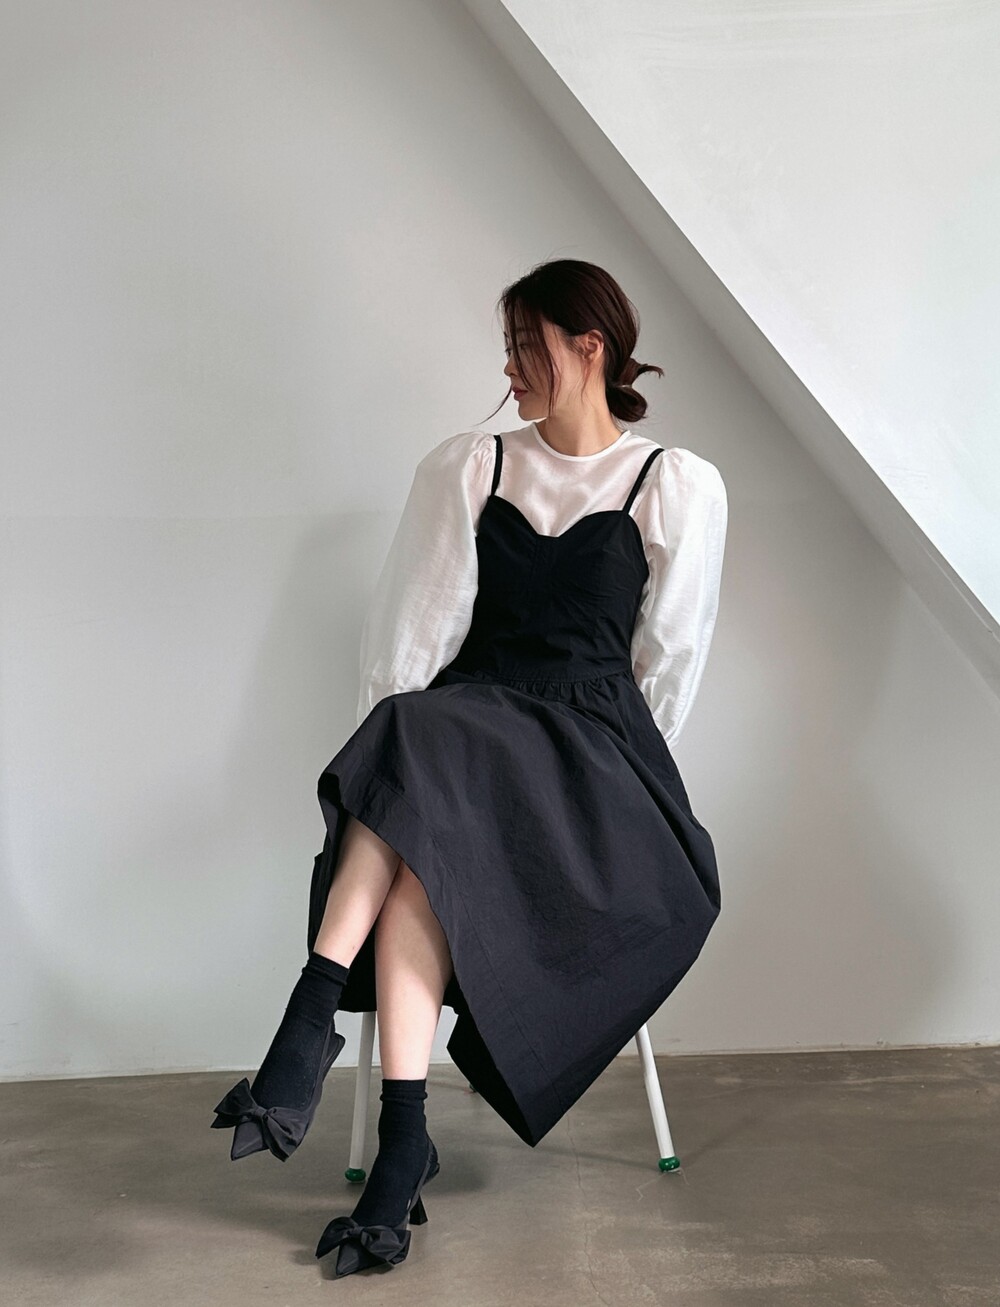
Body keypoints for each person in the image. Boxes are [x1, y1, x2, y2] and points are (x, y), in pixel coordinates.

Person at [211, 258, 729, 1277]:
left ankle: (307, 1019)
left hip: (592, 753)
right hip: (465, 731)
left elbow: (668, 662)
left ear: (590, 346)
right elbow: (416, 632)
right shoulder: (470, 465)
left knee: (418, 745)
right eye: (508, 347)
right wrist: (386, 777)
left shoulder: (673, 482)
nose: (509, 367)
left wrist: (615, 780)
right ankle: (402, 1141)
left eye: (527, 345)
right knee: (416, 808)